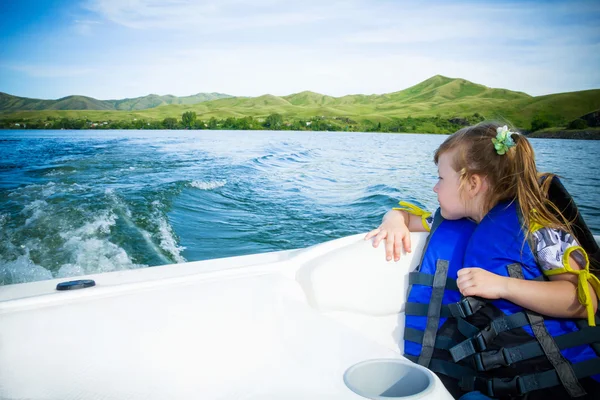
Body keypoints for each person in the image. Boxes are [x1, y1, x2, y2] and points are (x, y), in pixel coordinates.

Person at [365, 123, 600, 399]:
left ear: (472, 183)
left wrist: (503, 286)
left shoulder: (539, 227)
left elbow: (585, 300)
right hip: (497, 383)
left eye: (440, 178)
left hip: (563, 385)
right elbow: (404, 216)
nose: (434, 188)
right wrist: (394, 219)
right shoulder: (455, 220)